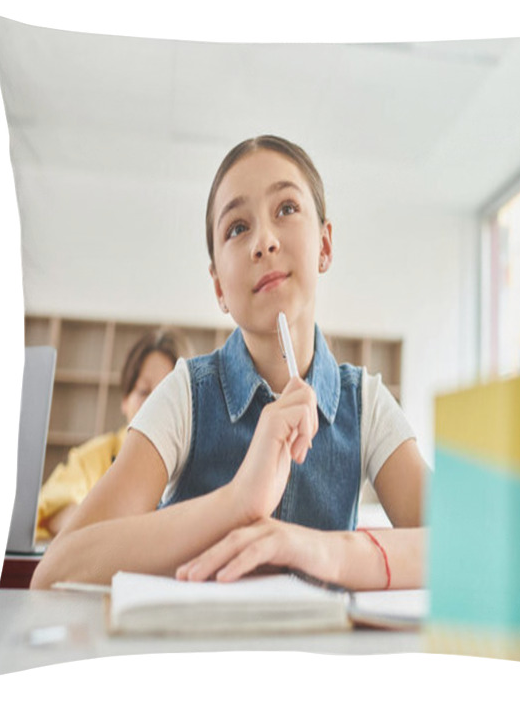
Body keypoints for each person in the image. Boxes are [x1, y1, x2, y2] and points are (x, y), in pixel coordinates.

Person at [31, 135, 427, 591]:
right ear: (219, 286)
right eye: (237, 228)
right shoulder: (186, 394)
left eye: (286, 209)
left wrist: (315, 549)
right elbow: (56, 569)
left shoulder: (366, 403)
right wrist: (236, 502)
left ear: (325, 244)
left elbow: (472, 552)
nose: (263, 241)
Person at [35, 329, 186, 539]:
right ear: (125, 400)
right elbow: (51, 512)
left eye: (165, 393)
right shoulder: (95, 456)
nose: (154, 404)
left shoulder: (196, 459)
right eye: (144, 391)